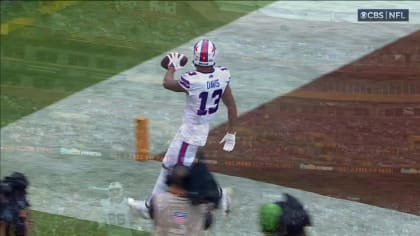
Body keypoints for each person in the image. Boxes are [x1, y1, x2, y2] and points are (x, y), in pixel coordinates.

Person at [129, 39, 237, 218]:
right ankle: (219, 197)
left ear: (196, 57)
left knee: (172, 167)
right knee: (183, 166)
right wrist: (232, 132)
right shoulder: (222, 75)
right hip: (201, 128)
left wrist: (172, 67)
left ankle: (151, 208)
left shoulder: (192, 80)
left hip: (190, 132)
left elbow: (167, 83)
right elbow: (231, 105)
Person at [149, 164, 213, 236]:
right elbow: (207, 224)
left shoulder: (156, 201)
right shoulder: (203, 207)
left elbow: (152, 215)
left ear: (169, 181)